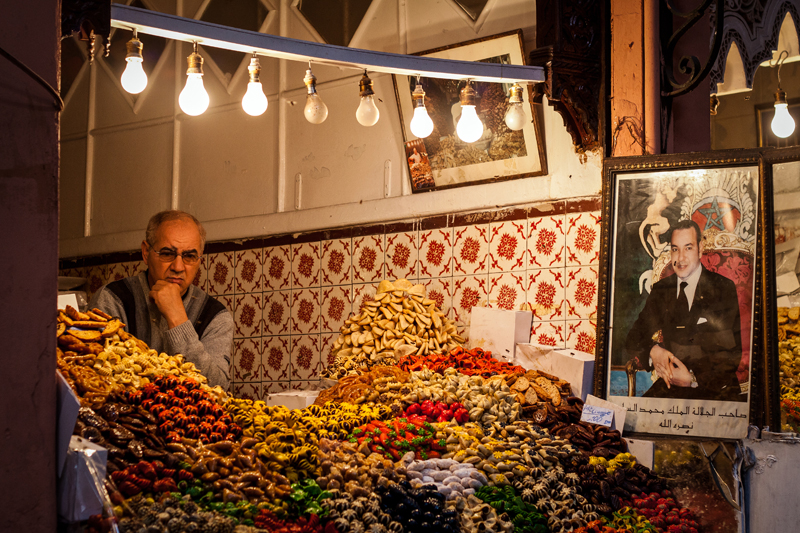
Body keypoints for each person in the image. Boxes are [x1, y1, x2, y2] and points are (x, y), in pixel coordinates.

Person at [89, 210, 233, 390]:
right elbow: (95, 377)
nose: (178, 267)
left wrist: (178, 318)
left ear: (199, 259)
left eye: (189, 256)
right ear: (146, 252)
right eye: (167, 253)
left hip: (188, 417)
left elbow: (218, 388)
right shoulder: (113, 299)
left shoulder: (215, 315)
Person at [625, 219, 744, 402]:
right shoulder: (662, 290)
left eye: (688, 248)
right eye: (675, 249)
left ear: (700, 248)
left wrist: (693, 380)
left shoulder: (722, 288)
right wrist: (653, 351)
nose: (680, 258)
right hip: (671, 388)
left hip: (715, 389)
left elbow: (731, 355)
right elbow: (633, 337)